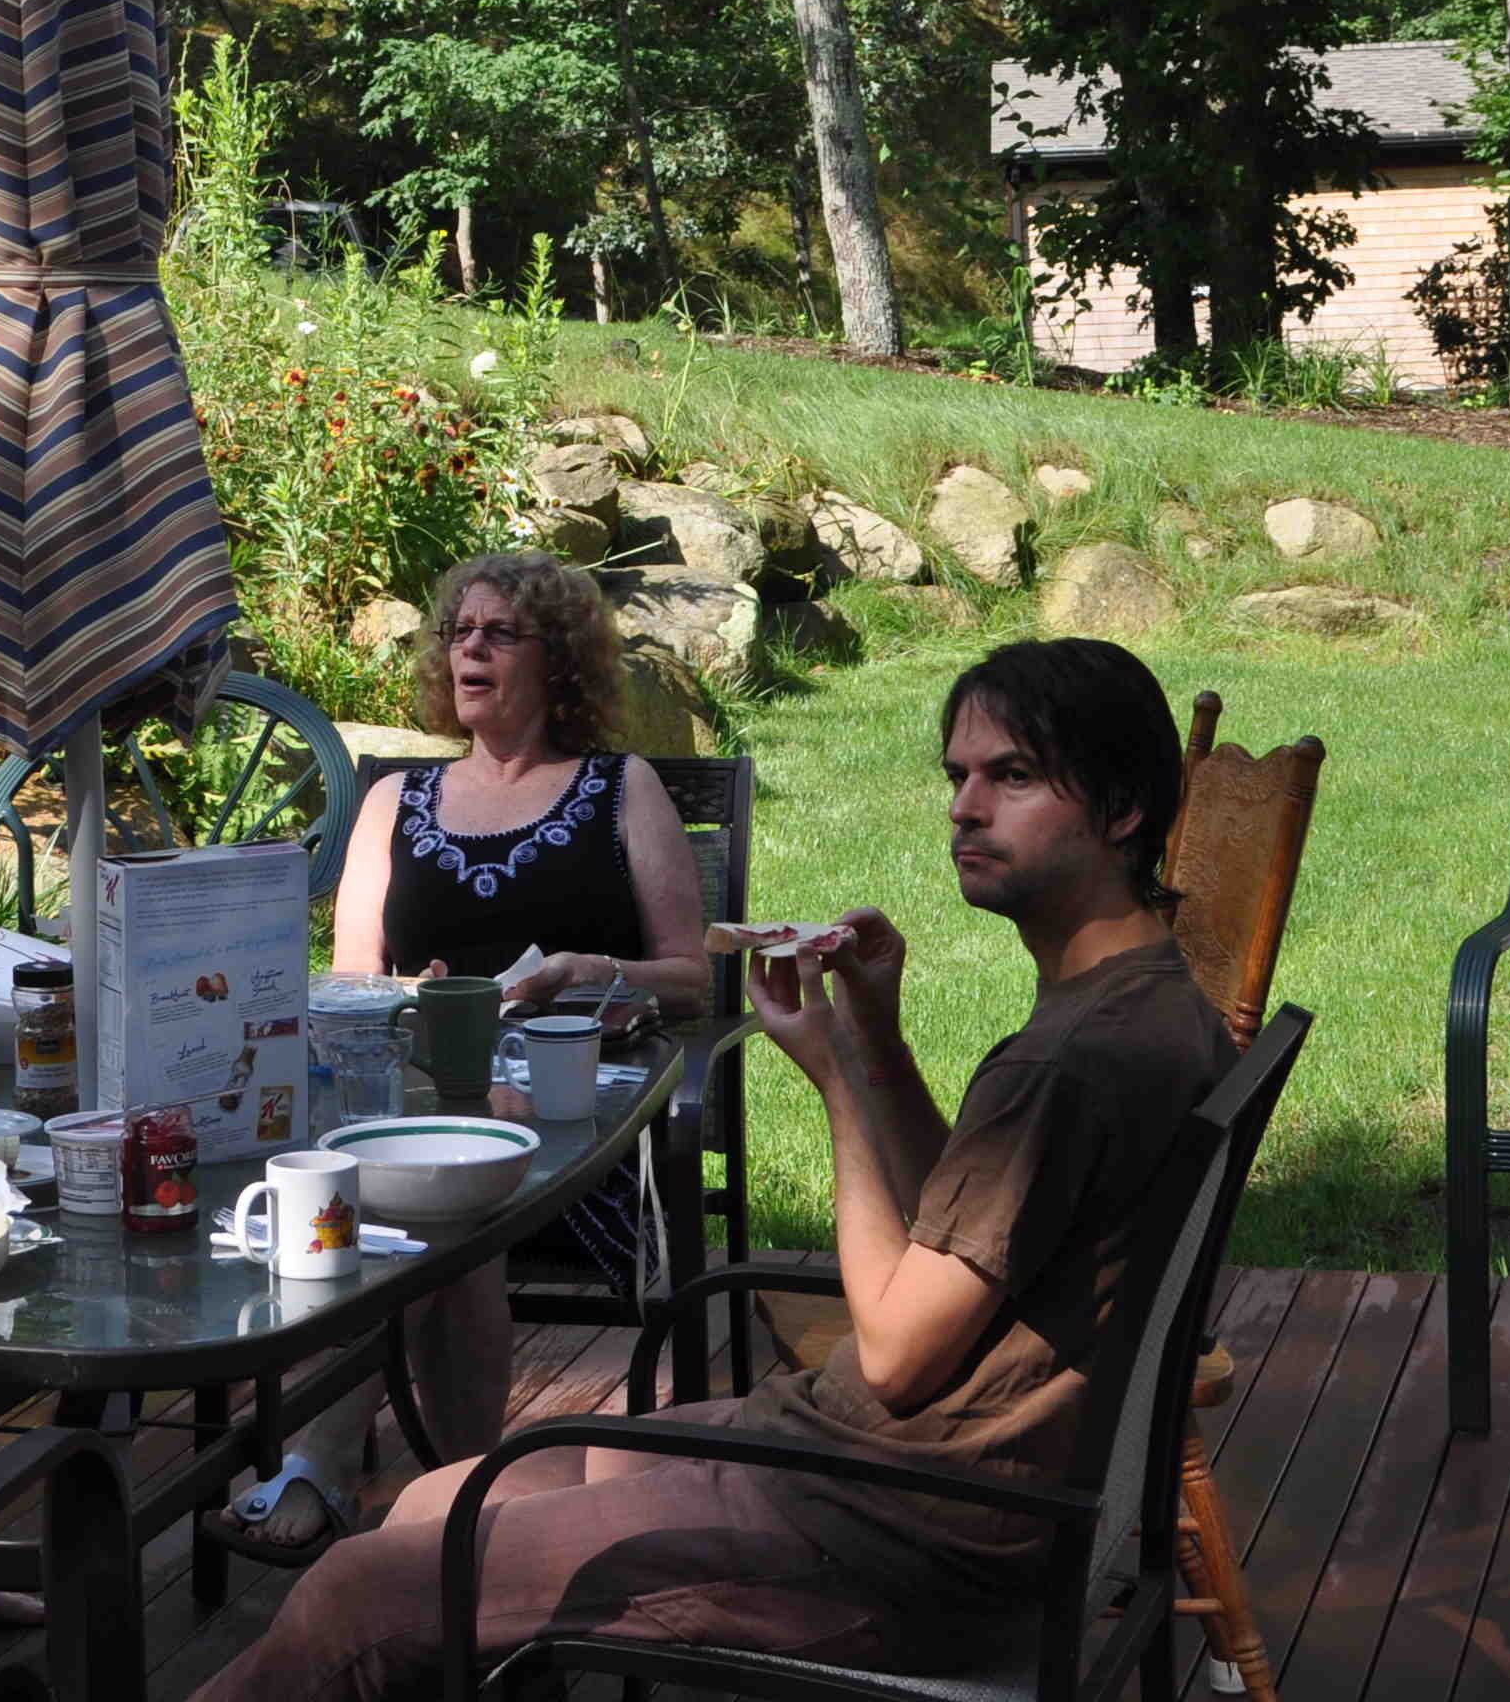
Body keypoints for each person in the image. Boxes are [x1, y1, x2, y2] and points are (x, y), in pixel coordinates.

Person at [193, 637, 1239, 1701]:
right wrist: (874, 1038)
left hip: (892, 1536)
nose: (964, 808)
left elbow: (893, 1354)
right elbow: (963, 1220)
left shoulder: (1071, 1062)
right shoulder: (1151, 1007)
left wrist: (834, 1083)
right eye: (957, 776)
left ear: (1120, 809)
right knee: (440, 1502)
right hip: (905, 1480)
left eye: (1010, 776)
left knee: (356, 1595)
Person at [211, 551, 711, 1563]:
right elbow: (350, 983)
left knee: (440, 1193)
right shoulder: (396, 799)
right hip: (414, 1099)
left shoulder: (621, 787)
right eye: (458, 631)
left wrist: (591, 969)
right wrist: (412, 993)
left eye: (499, 632)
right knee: (424, 1184)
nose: (469, 648)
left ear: (557, 659)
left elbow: (694, 981)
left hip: (576, 1119)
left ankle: (334, 1465)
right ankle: (462, 1494)